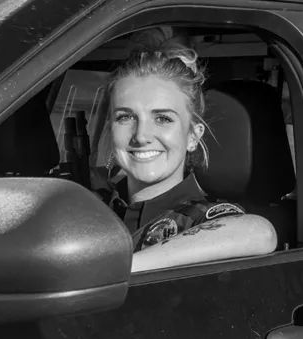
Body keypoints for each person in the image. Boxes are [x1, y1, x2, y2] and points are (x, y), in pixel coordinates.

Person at [94, 29, 277, 273]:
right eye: (125, 117)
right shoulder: (94, 208)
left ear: (193, 136)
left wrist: (121, 269)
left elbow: (259, 233)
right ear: (110, 127)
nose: (141, 136)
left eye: (162, 118)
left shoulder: (200, 219)